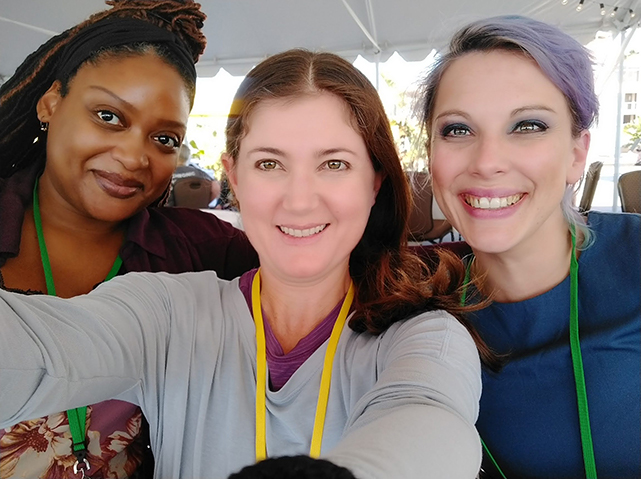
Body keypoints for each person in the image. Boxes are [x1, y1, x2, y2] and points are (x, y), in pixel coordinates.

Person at [0, 49, 489, 478]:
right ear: (233, 175)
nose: (299, 202)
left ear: (375, 181)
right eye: (270, 164)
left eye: (334, 164)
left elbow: (433, 425)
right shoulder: (169, 314)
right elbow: (38, 351)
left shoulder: (422, 337)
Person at [0, 1, 258, 477]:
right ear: (51, 102)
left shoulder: (201, 253)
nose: (134, 156)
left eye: (164, 139)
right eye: (109, 116)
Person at [418, 15, 640, 478]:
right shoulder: (419, 311)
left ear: (576, 154)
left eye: (528, 125)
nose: (487, 162)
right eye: (458, 130)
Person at [166, 143, 221, 207]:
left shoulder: (167, 175)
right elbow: (215, 187)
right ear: (188, 157)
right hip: (200, 213)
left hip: (173, 214)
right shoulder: (200, 173)